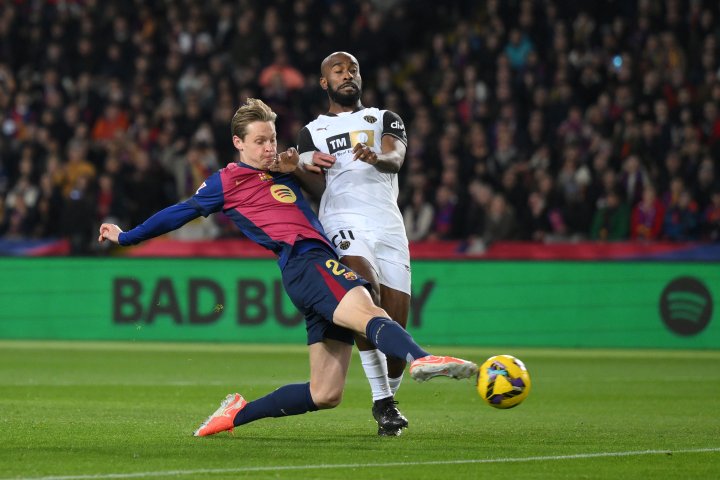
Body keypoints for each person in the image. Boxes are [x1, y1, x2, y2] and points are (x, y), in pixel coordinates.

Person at [97, 98, 478, 437]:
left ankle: (236, 414)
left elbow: (317, 180)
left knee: (326, 393)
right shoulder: (226, 182)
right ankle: (422, 358)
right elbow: (179, 212)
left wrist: (298, 166)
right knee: (368, 308)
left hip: (307, 270)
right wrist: (127, 236)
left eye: (272, 139)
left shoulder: (283, 168)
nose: (268, 148)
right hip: (306, 260)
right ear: (238, 143)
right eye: (259, 141)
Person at [294, 52, 412, 436]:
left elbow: (396, 158)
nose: (348, 75)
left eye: (353, 69)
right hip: (342, 222)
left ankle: (388, 394)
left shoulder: (384, 118)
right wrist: (297, 167)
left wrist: (377, 155)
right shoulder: (311, 132)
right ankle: (384, 402)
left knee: (395, 338)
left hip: (388, 226)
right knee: (364, 291)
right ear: (324, 82)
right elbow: (316, 187)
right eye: (338, 70)